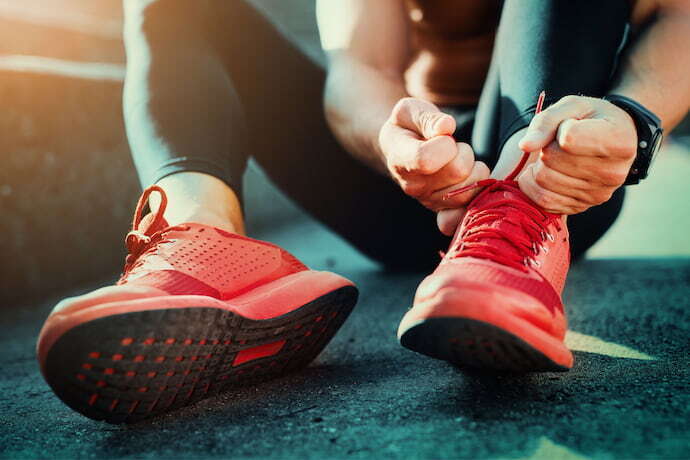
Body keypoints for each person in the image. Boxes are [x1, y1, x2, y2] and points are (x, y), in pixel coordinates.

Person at [36, 0, 690, 423]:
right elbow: (358, 67)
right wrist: (393, 139)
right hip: (406, 179)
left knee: (539, 160)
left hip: (562, 176)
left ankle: (511, 236)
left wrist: (635, 117)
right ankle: (202, 243)